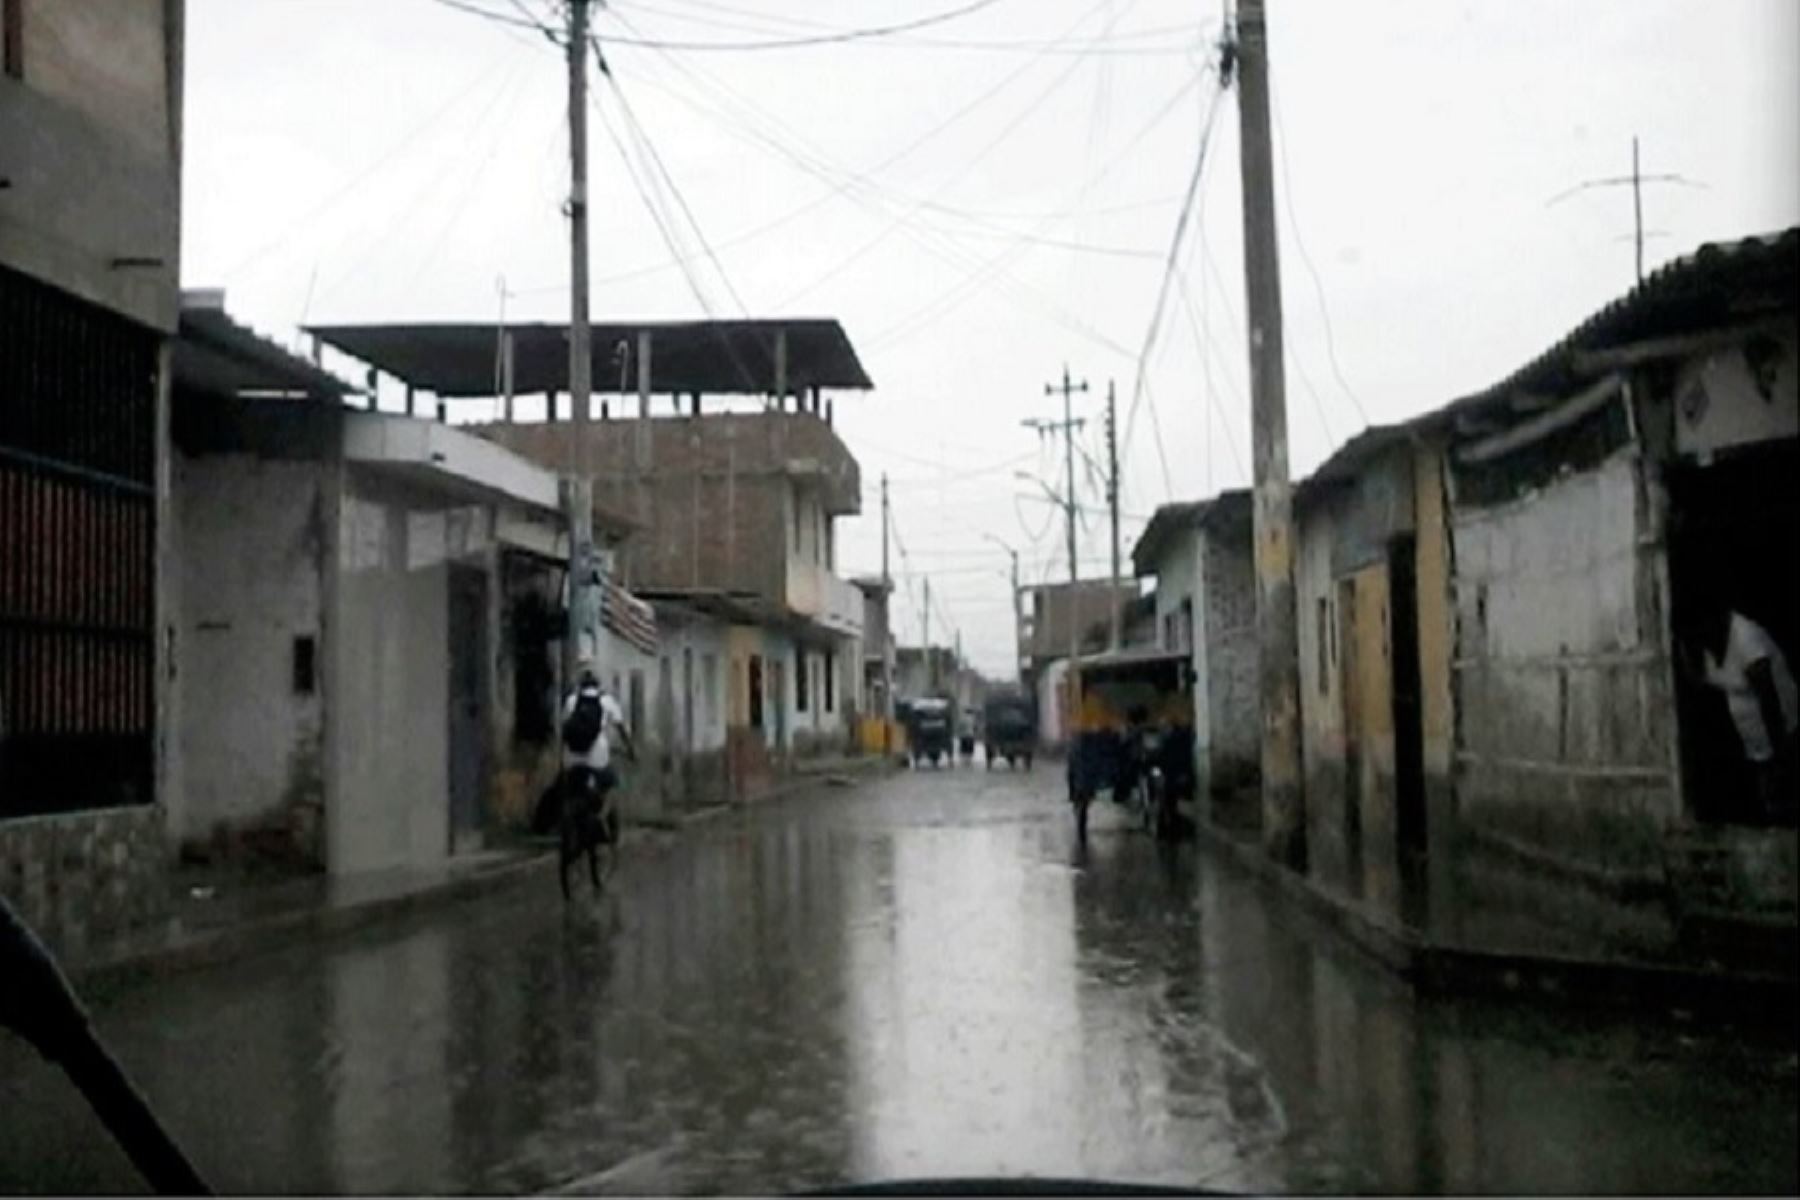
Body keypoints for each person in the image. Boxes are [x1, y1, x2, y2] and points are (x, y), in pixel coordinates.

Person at [1690, 604, 1798, 822]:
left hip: (1781, 736)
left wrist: (1780, 758)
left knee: (1784, 804)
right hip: (1755, 744)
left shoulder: (1746, 640)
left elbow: (1770, 700)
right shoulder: (1706, 645)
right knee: (1770, 808)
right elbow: (1705, 682)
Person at [557, 662, 635, 897]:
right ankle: (605, 825)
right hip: (597, 760)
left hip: (571, 760)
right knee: (613, 786)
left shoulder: (571, 701)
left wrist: (562, 758)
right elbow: (621, 730)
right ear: (598, 684)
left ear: (581, 684)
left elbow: (563, 729)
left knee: (565, 792)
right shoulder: (607, 702)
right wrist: (631, 751)